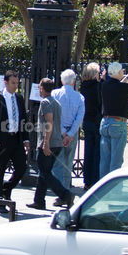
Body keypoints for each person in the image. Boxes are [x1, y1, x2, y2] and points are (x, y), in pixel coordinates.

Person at [29, 78, 75, 210]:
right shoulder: (56, 102)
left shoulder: (45, 102)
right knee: (44, 172)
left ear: (42, 88)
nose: (39, 89)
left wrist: (45, 143)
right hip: (57, 142)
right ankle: (39, 201)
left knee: (45, 173)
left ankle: (65, 194)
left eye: (39, 87)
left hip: (49, 142)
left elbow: (49, 122)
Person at [0, 70, 29, 201]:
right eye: (13, 82)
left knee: (21, 168)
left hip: (16, 138)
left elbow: (24, 119)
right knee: (0, 170)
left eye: (17, 83)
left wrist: (26, 138)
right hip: (2, 139)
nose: (15, 85)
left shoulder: (19, 98)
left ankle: (7, 188)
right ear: (5, 82)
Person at [99, 61, 128, 178]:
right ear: (118, 72)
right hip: (118, 123)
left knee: (105, 160)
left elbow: (118, 86)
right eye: (122, 70)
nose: (123, 72)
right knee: (116, 160)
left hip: (105, 122)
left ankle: (103, 186)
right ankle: (113, 188)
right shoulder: (122, 87)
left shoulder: (105, 85)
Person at [50, 68, 84, 199]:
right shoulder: (80, 97)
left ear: (62, 80)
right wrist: (70, 134)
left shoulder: (55, 94)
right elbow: (79, 118)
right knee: (68, 164)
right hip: (72, 133)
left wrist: (63, 133)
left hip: (58, 132)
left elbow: (53, 115)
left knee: (58, 164)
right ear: (74, 81)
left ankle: (60, 193)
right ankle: (66, 191)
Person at [79, 62, 103, 190]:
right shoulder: (98, 86)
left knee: (88, 151)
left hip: (86, 120)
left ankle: (87, 180)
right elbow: (100, 103)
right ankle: (95, 179)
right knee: (97, 151)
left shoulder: (83, 86)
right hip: (96, 120)